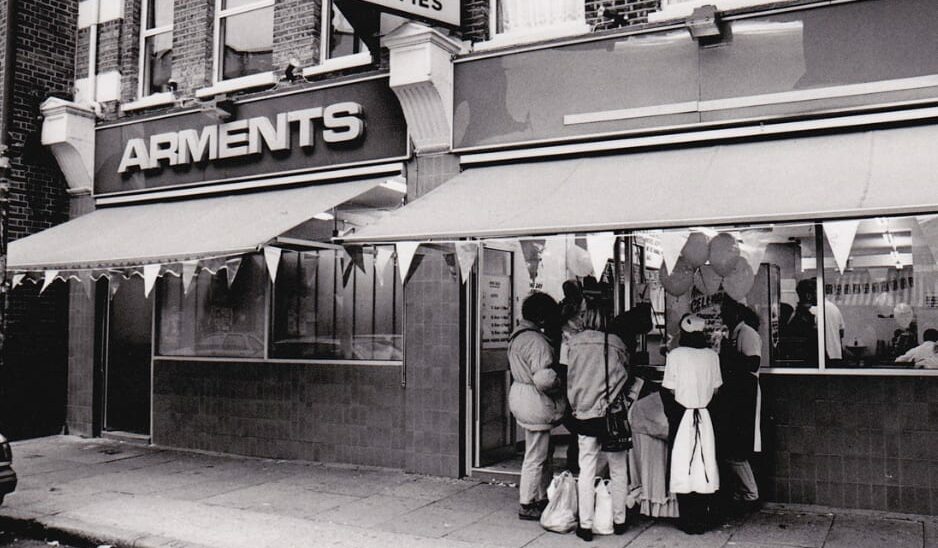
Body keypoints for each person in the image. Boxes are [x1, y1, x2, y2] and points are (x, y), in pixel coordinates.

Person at [563, 288, 630, 541]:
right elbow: (625, 375)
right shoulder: (616, 343)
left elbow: (569, 377)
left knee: (587, 467)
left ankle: (585, 525)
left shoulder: (573, 343)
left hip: (584, 412)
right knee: (618, 468)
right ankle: (619, 519)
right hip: (612, 414)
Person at [508, 292, 566, 521]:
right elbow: (544, 379)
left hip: (521, 395)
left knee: (542, 451)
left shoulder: (518, 335)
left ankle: (542, 495)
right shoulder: (537, 342)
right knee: (536, 454)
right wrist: (560, 380)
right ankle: (528, 502)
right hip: (535, 400)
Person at [662, 314, 721, 534]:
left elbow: (670, 389)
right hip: (705, 416)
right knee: (704, 463)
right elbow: (716, 390)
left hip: (682, 416)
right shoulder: (711, 356)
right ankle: (703, 517)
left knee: (683, 464)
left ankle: (687, 518)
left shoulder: (675, 355)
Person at [717, 297, 762, 514]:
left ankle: (751, 494)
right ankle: (741, 492)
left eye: (727, 312)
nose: (723, 316)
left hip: (745, 393)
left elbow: (753, 363)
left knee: (736, 449)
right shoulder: (733, 333)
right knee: (731, 447)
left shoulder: (748, 334)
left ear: (736, 313)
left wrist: (728, 356)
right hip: (734, 393)